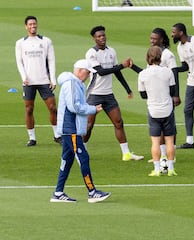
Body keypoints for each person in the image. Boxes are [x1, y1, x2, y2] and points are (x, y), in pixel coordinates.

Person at [50, 59, 111, 203]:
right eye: (88, 72)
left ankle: (58, 192)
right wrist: (92, 109)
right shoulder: (72, 84)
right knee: (83, 158)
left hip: (69, 128)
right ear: (80, 71)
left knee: (67, 159)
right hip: (71, 128)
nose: (89, 75)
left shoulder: (74, 83)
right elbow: (74, 107)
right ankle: (92, 192)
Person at [84, 25, 143, 161]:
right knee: (88, 125)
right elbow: (102, 71)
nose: (102, 38)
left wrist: (127, 89)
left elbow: (116, 71)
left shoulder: (112, 51)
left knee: (118, 122)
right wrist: (122, 65)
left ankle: (126, 154)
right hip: (94, 94)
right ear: (94, 38)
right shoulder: (91, 53)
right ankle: (82, 151)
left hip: (108, 94)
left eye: (103, 35)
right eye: (99, 36)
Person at [130, 27, 180, 162]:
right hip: (156, 96)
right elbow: (147, 75)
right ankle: (163, 155)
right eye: (151, 38)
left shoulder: (168, 55)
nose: (151, 40)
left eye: (154, 38)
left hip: (165, 96)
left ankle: (170, 155)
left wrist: (176, 95)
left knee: (168, 128)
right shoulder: (154, 53)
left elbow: (174, 74)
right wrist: (133, 66)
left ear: (161, 39)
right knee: (163, 128)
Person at [15, 15, 62, 147]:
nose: (33, 26)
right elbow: (19, 62)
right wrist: (24, 77)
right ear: (26, 27)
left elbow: (51, 61)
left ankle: (57, 135)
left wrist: (52, 79)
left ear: (37, 25)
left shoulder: (46, 41)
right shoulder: (20, 43)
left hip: (44, 80)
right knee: (29, 109)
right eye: (30, 24)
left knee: (53, 108)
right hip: (29, 82)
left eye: (34, 24)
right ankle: (32, 138)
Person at [138, 46, 177, 176]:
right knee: (170, 140)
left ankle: (156, 169)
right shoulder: (168, 72)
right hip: (167, 108)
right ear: (160, 57)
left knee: (155, 141)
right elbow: (172, 91)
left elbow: (143, 95)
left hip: (153, 109)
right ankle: (170, 169)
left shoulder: (143, 74)